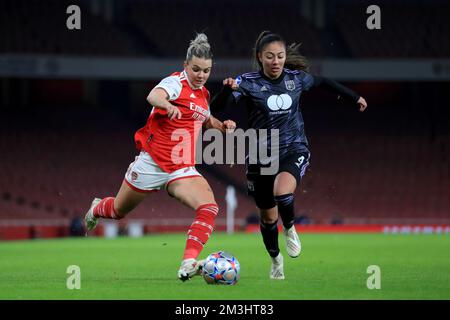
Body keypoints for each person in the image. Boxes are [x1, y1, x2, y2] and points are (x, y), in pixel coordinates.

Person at [210, 31, 368, 280]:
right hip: (261, 154)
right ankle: (275, 259)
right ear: (260, 57)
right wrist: (226, 91)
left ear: (285, 57)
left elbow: (323, 82)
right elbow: (217, 108)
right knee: (267, 216)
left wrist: (353, 97)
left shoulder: (297, 79)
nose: (276, 61)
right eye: (270, 56)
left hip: (293, 148)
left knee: (282, 192)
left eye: (280, 56)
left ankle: (291, 228)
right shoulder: (248, 82)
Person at [84, 33, 236, 282]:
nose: (201, 75)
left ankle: (188, 262)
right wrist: (166, 105)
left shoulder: (204, 95)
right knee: (117, 210)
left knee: (209, 207)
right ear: (186, 66)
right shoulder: (175, 82)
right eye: (196, 69)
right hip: (152, 163)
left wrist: (223, 127)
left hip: (182, 168)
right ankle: (95, 208)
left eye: (206, 71)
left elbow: (205, 120)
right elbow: (153, 96)